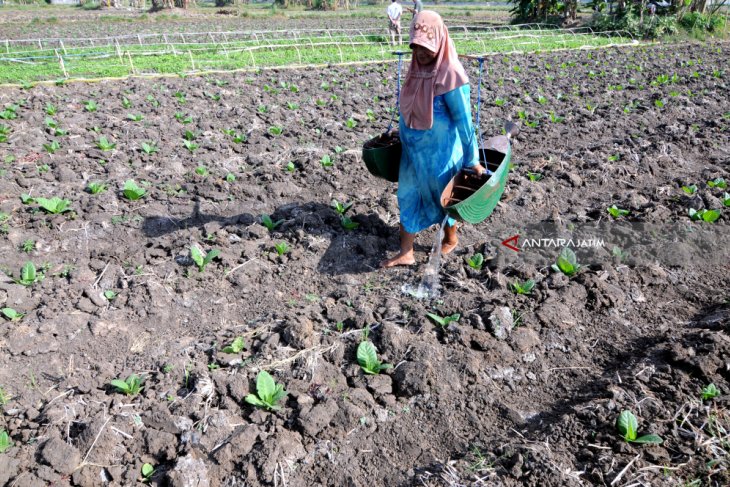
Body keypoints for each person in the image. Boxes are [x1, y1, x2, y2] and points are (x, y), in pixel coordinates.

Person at [381, 10, 484, 268]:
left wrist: (473, 161)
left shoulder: (452, 74)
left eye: (426, 46)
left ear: (439, 40)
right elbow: (410, 106)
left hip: (442, 155)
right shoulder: (416, 70)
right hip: (413, 155)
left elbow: (465, 122)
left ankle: (451, 237)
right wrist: (399, 130)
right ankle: (407, 251)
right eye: (416, 46)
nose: (421, 53)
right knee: (407, 196)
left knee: (443, 200)